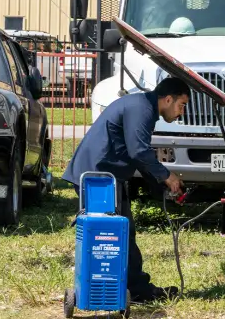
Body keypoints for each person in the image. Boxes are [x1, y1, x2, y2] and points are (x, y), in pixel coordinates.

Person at [63, 77, 190, 303]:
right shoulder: (142, 108)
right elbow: (139, 152)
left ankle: (130, 287)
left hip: (104, 175)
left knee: (122, 232)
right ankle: (122, 289)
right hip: (97, 176)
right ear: (168, 99)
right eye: (181, 105)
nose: (181, 112)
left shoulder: (143, 106)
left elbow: (138, 156)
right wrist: (167, 176)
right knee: (111, 234)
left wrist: (161, 186)